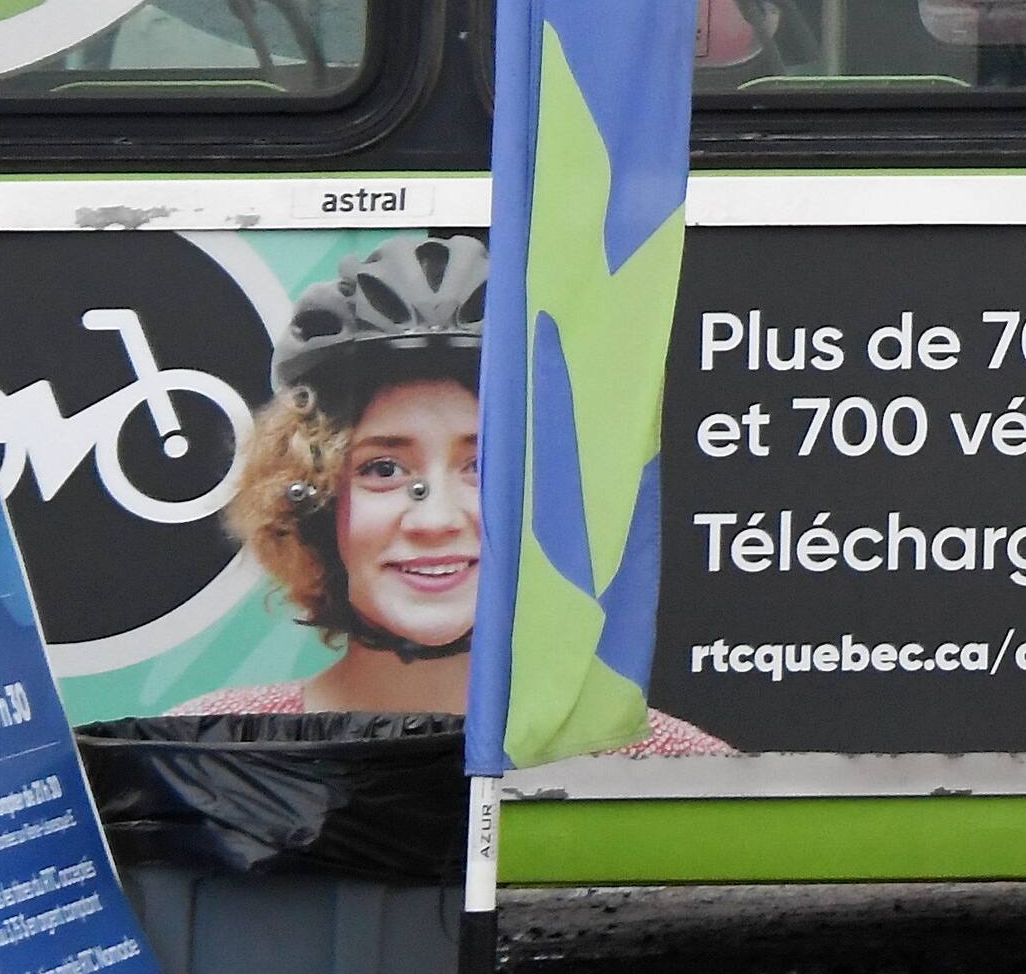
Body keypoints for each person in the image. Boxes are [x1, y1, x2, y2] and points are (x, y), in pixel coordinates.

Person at [192, 232, 730, 750]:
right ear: (315, 506)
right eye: (383, 469)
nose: (435, 520)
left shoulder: (669, 763)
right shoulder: (208, 750)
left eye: (485, 468)